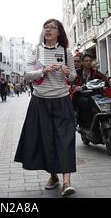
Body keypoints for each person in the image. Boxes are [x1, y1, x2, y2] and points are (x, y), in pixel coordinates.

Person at [14, 19, 77, 197]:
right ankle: (53, 176)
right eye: (46, 27)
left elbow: (73, 77)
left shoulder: (66, 52)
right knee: (46, 140)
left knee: (65, 140)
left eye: (53, 28)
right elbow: (26, 75)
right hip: (40, 101)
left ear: (59, 32)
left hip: (62, 100)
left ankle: (67, 182)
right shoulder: (36, 51)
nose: (48, 30)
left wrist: (67, 73)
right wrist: (43, 71)